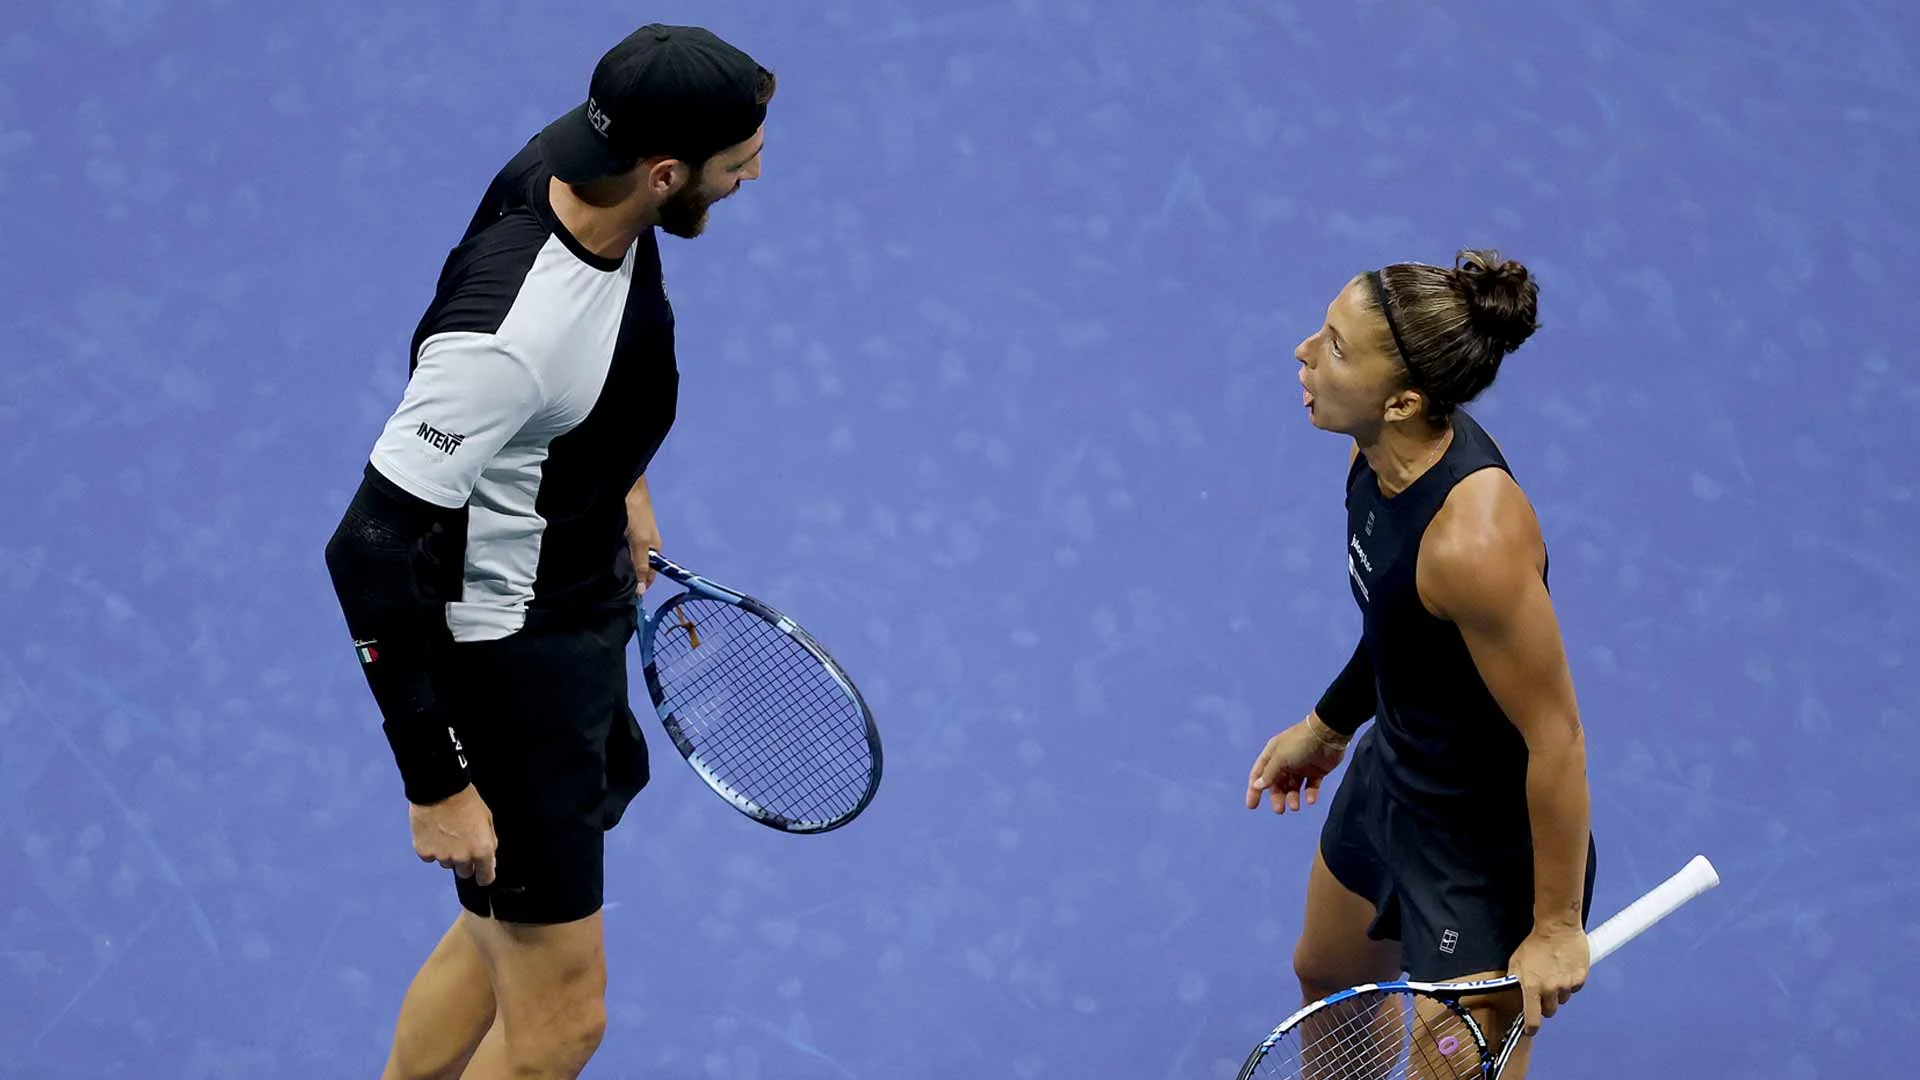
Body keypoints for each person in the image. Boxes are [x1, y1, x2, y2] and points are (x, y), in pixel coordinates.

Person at [322, 23, 774, 1080]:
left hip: (568, 600)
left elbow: (596, 359)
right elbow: (368, 549)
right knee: (560, 1025)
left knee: (497, 946)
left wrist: (618, 476)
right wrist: (435, 783)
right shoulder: (507, 341)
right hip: (512, 663)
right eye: (739, 163)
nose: (756, 174)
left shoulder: (584, 169)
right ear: (665, 174)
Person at [1243, 250, 1598, 1077]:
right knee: (1327, 975)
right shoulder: (1376, 454)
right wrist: (1328, 727)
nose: (1302, 352)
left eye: (1333, 346)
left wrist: (1552, 927)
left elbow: (1558, 741)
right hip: (1395, 774)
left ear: (1402, 398)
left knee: (1454, 1066)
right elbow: (1397, 625)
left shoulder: (1474, 545)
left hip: (1485, 850)